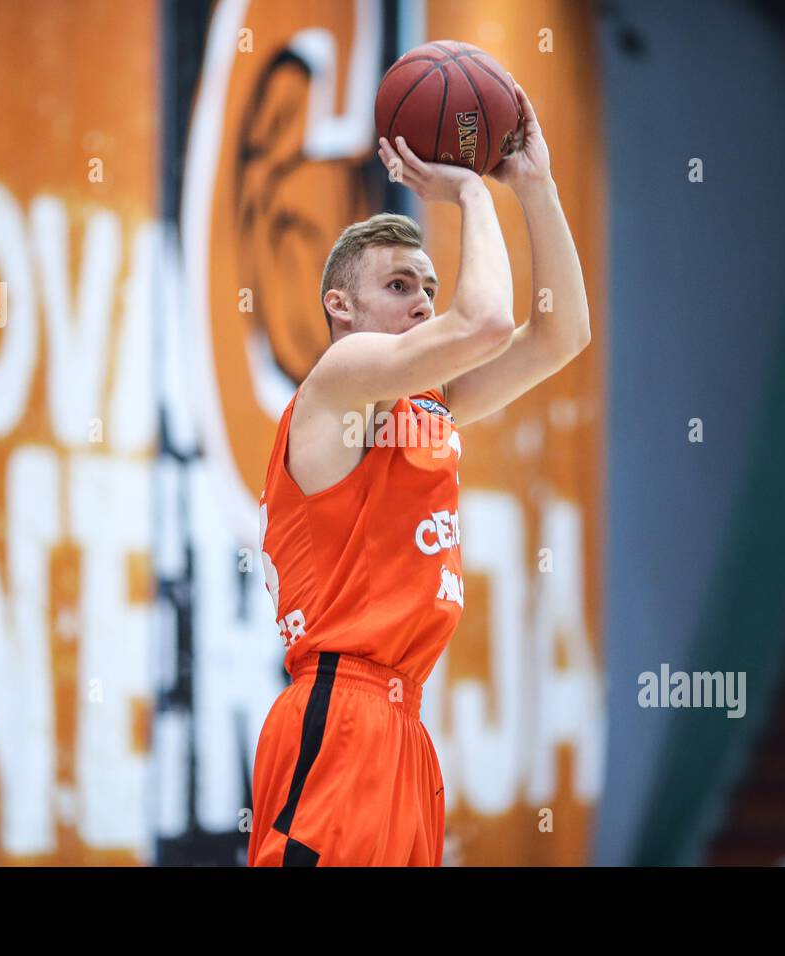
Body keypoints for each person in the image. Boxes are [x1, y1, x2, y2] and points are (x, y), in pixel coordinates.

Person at [248, 78, 590, 866]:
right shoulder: (340, 382)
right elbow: (489, 322)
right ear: (340, 305)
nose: (422, 304)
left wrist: (534, 186)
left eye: (429, 289)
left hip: (404, 722)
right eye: (399, 287)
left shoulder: (421, 405)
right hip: (339, 712)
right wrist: (470, 191)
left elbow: (560, 335)